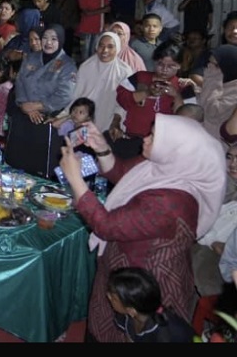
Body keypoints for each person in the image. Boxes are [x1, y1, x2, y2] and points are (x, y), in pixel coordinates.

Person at [58, 113, 226, 343]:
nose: (144, 139)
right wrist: (102, 148)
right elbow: (124, 173)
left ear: (176, 151)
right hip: (124, 267)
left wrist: (75, 180)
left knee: (125, 334)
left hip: (144, 285)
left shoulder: (170, 201)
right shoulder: (165, 168)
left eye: (153, 137)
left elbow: (105, 226)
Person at [3, 24, 78, 179]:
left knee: (40, 167)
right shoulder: (31, 57)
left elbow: (64, 95)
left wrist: (37, 106)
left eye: (53, 39)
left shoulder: (67, 65)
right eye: (45, 38)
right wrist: (25, 106)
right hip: (23, 115)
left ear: (61, 41)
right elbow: (21, 82)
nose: (48, 42)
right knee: (17, 161)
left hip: (46, 120)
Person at [110, 42, 194, 159]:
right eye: (160, 64)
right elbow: (122, 99)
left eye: (171, 66)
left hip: (165, 146)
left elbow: (190, 119)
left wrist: (176, 95)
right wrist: (147, 93)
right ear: (154, 61)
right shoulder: (140, 77)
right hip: (131, 139)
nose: (164, 70)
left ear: (179, 65)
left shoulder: (183, 87)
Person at [190, 142, 237, 303]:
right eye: (229, 158)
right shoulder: (215, 183)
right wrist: (214, 242)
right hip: (205, 244)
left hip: (228, 251)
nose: (233, 164)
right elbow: (197, 224)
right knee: (205, 266)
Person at [106, 266, 198, 343]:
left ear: (131, 310)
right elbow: (129, 336)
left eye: (112, 297)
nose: (107, 295)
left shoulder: (165, 336)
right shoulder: (127, 315)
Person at [69, 31, 134, 134]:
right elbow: (76, 95)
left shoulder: (124, 71)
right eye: (101, 46)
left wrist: (116, 121)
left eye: (110, 46)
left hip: (110, 119)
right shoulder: (86, 66)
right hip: (82, 118)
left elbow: (125, 102)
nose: (105, 50)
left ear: (117, 48)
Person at [202, 45, 237, 142]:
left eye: (216, 66)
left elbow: (212, 111)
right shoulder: (227, 83)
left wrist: (212, 78)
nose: (210, 67)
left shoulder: (235, 90)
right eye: (209, 63)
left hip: (218, 147)